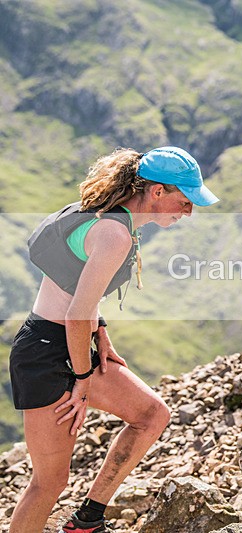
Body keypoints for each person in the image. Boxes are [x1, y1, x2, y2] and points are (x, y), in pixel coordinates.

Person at [8, 146, 219, 532]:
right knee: (49, 483)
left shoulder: (110, 217)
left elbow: (79, 289)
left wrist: (100, 331)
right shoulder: (115, 234)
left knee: (153, 415)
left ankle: (88, 520)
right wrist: (83, 380)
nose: (189, 212)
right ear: (157, 191)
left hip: (69, 343)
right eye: (185, 201)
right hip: (47, 354)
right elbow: (75, 315)